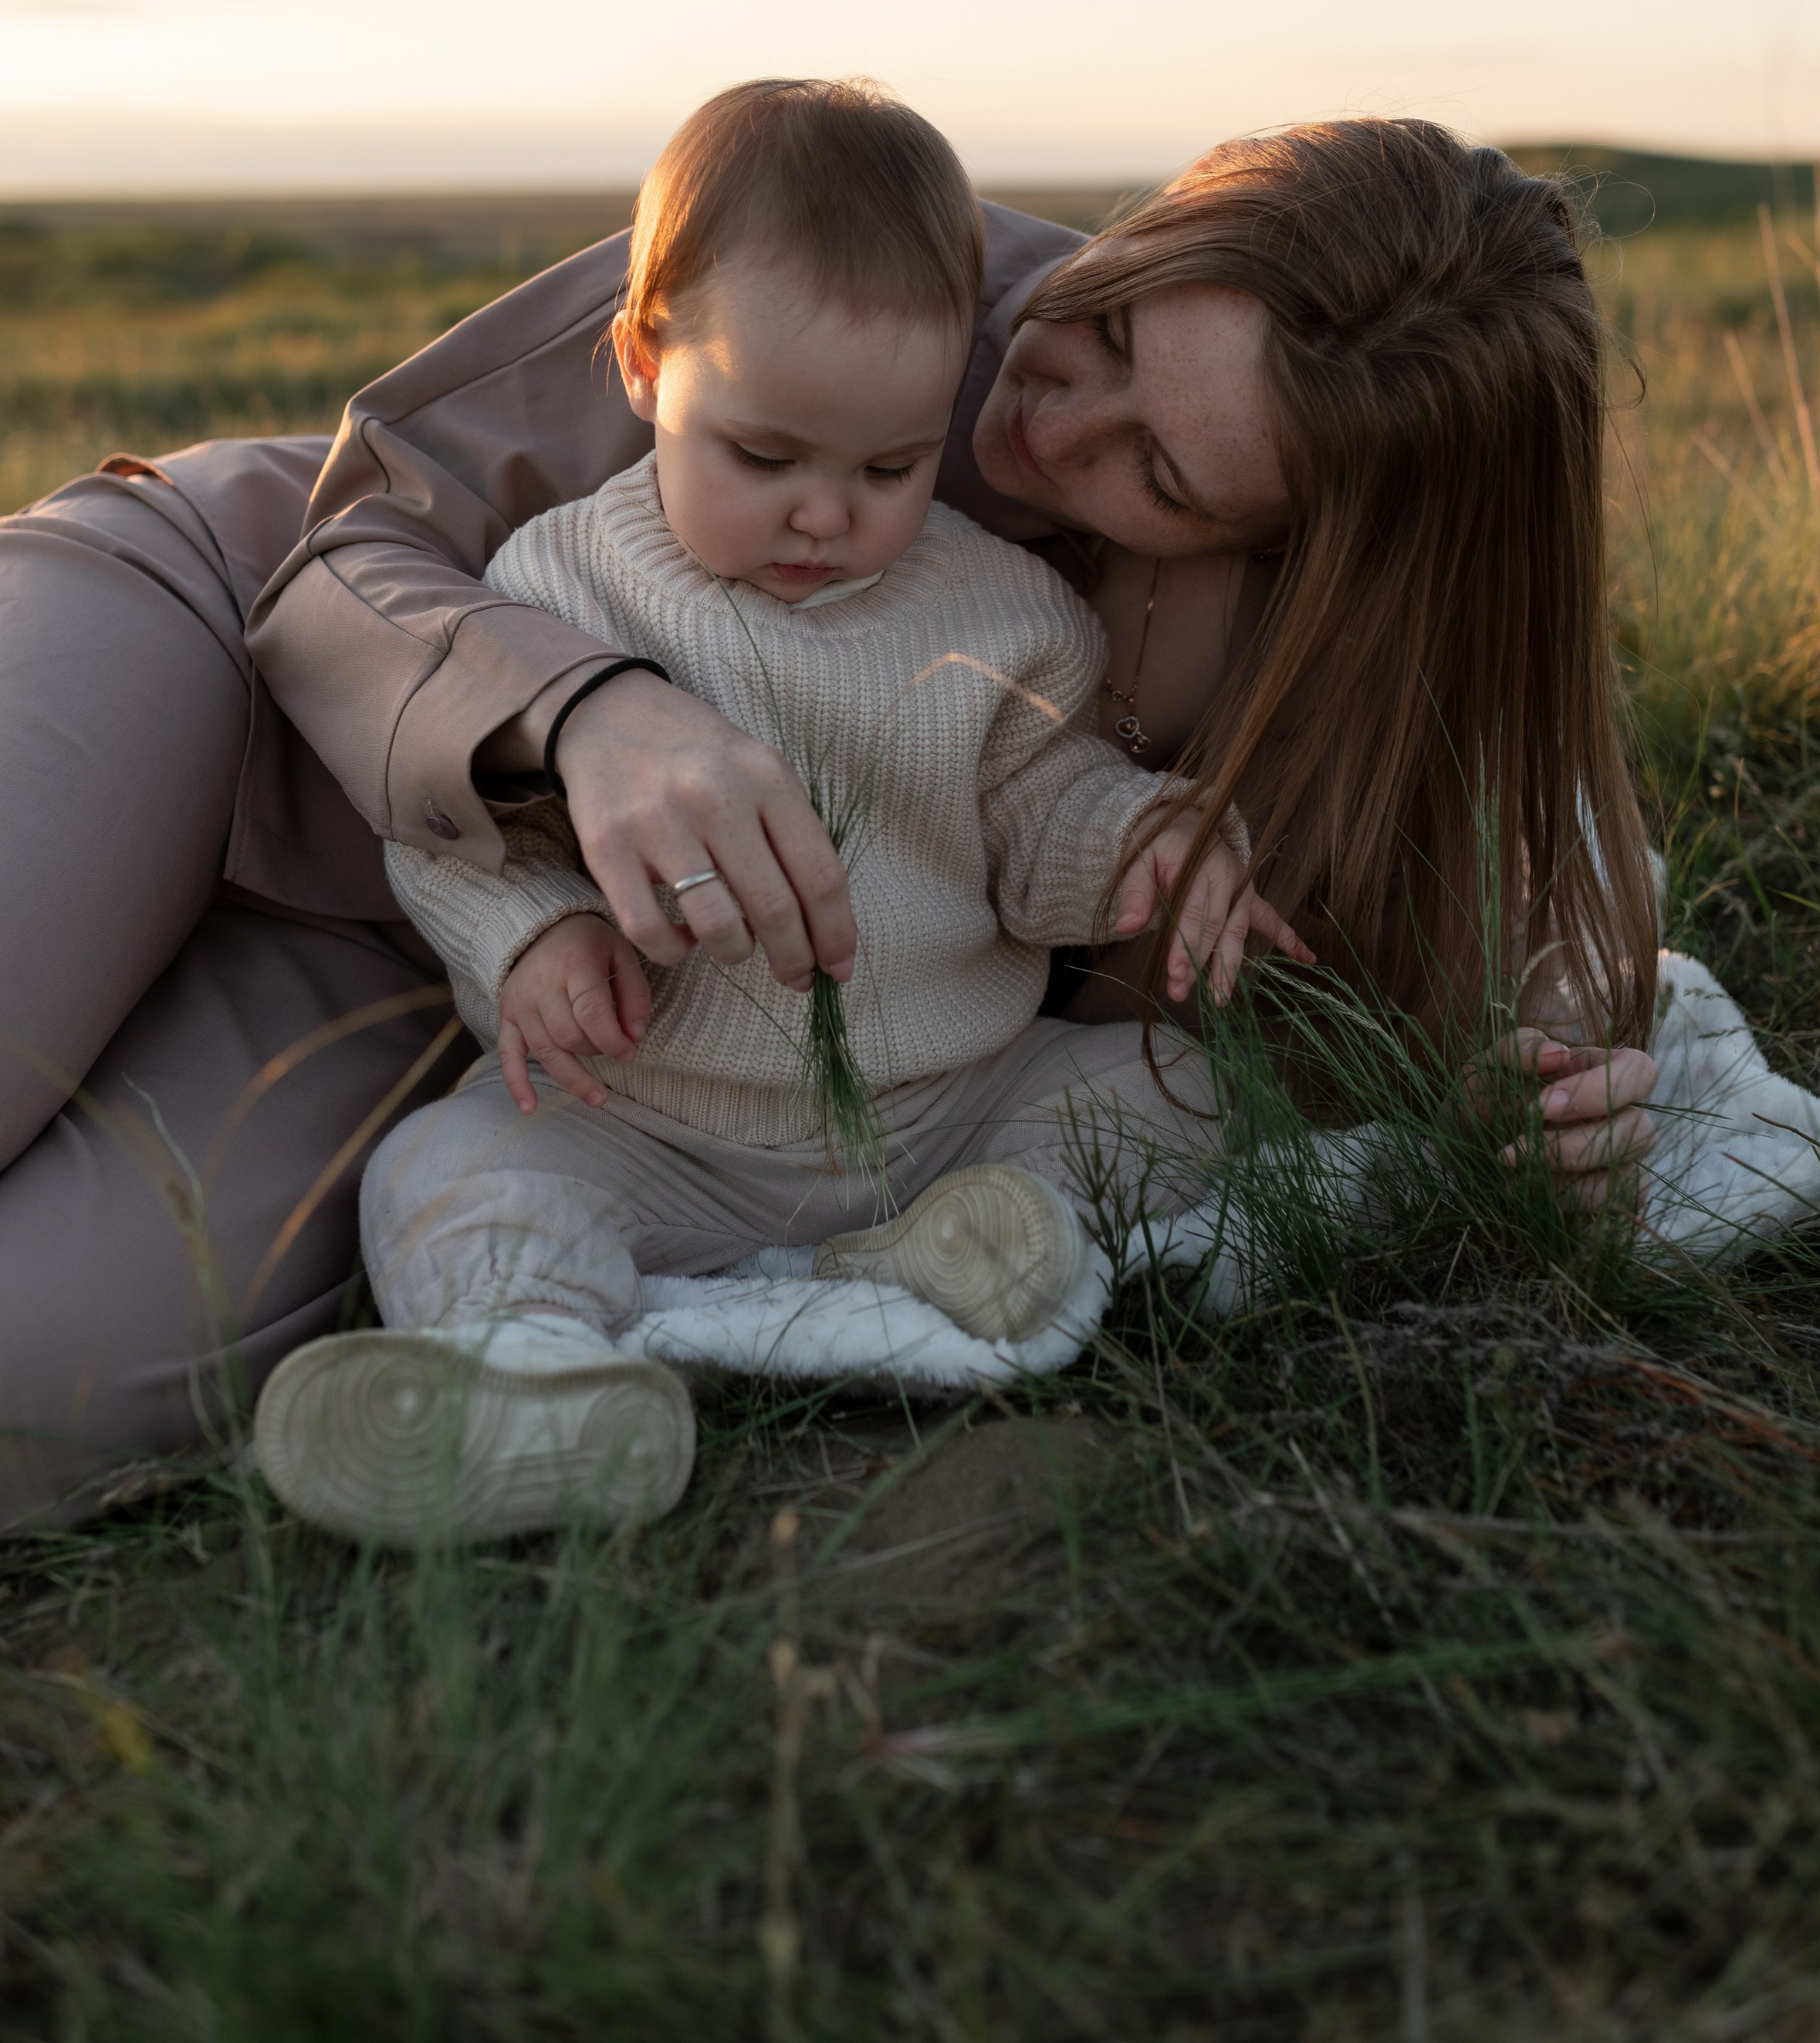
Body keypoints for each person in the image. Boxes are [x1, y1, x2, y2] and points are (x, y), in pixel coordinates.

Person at [0, 101, 1655, 1528]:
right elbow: (344, 543)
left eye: (1157, 476)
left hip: (485, 991)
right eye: (1121, 327)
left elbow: (1504, 869)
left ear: (1308, 547)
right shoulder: (849, 245)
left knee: (53, 1367)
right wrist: (592, 708)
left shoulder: (1289, 652)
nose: (1042, 413)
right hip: (212, 659)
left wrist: (1546, 1085)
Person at [254, 82, 1302, 1544]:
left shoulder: (1007, 611)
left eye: (891, 465)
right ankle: (527, 1371)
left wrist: (1142, 842)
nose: (827, 515)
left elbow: (1036, 812)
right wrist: (538, 940)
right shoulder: (561, 591)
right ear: (642, 364)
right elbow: (458, 835)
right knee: (455, 1168)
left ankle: (988, 1241)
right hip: (657, 1127)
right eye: (765, 458)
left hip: (952, 1107)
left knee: (1164, 1090)